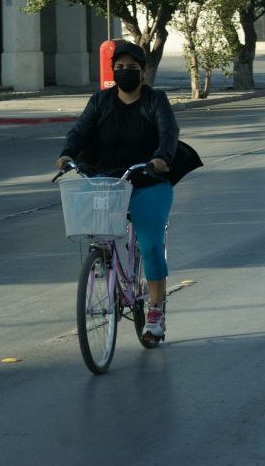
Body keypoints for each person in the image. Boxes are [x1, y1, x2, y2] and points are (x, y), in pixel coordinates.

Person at [56, 41, 202, 340]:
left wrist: (161, 158)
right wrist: (67, 153)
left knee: (148, 245)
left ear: (143, 72)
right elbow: (80, 131)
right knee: (92, 227)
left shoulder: (154, 100)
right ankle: (103, 262)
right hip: (107, 180)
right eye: (119, 68)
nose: (124, 73)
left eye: (131, 69)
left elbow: (169, 132)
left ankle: (156, 312)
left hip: (148, 181)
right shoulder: (100, 101)